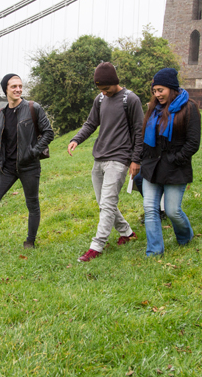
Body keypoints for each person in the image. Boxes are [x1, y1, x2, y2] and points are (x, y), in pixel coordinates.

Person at [0, 73, 54, 254]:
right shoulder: (2, 113)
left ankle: (30, 241)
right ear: (5, 89)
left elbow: (48, 133)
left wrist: (33, 152)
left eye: (20, 86)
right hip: (7, 168)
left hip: (29, 166)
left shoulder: (33, 108)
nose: (18, 89)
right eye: (14, 86)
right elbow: (2, 140)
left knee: (32, 204)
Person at [68, 62, 144, 262]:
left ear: (115, 82)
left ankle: (97, 246)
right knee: (103, 202)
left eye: (106, 88)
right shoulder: (100, 99)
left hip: (119, 158)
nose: (104, 92)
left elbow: (139, 131)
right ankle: (127, 233)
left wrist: (136, 160)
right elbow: (91, 123)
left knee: (108, 204)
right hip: (100, 157)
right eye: (100, 89)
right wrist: (76, 139)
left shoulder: (131, 99)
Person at [140, 68, 201, 256]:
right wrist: (141, 160)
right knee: (150, 209)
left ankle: (185, 238)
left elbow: (193, 143)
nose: (157, 95)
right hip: (152, 167)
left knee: (173, 211)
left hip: (175, 168)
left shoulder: (189, 108)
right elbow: (145, 139)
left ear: (172, 88)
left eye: (161, 90)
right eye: (154, 91)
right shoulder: (153, 109)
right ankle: (154, 251)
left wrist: (175, 159)